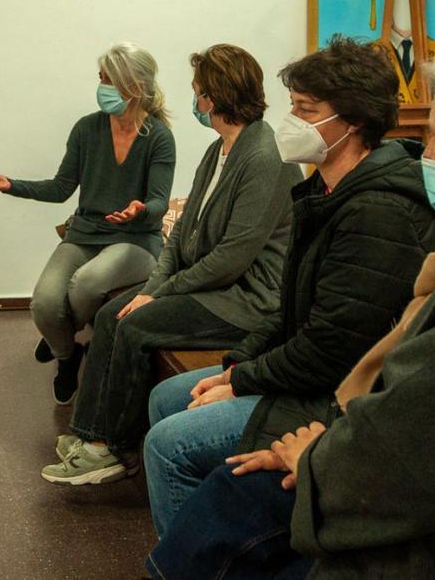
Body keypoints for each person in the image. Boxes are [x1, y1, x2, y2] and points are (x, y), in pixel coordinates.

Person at [147, 41, 435, 579]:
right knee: (212, 466)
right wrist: (244, 373)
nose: (427, 154)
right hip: (401, 455)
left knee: (214, 483)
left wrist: (317, 454)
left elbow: (417, 415)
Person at [143, 36, 435, 536]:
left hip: (334, 397)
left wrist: (242, 381)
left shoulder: (377, 211)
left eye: (306, 110)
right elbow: (287, 309)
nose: (292, 122)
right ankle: (221, 537)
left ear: (352, 123)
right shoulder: (325, 191)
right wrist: (236, 365)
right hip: (304, 374)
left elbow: (333, 348)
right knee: (169, 395)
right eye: (294, 107)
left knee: (168, 444)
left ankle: (201, 556)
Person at [40, 44, 302, 485]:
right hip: (213, 287)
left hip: (246, 300)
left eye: (198, 91)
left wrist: (160, 291)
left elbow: (231, 259)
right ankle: (91, 436)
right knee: (112, 313)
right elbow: (181, 233)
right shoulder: (218, 151)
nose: (194, 100)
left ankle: (111, 451)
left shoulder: (264, 157)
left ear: (213, 99)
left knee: (134, 324)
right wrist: (152, 287)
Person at [0, 43, 175, 404]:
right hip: (85, 234)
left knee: (87, 283)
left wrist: (139, 209)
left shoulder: (158, 137)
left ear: (133, 84)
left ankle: (62, 338)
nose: (102, 86)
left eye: (108, 79)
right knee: (44, 303)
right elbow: (61, 188)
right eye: (101, 78)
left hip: (136, 241)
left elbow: (158, 203)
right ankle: (69, 355)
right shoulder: (87, 129)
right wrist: (10, 186)